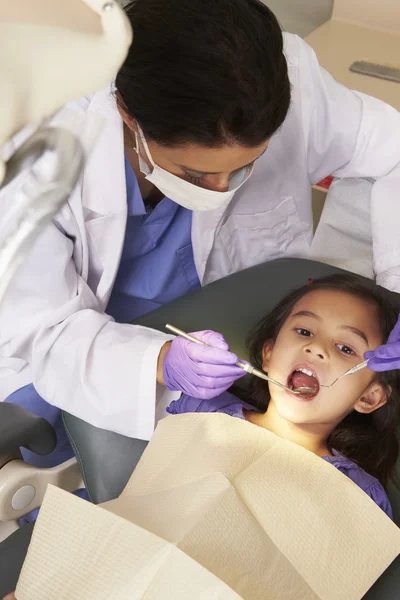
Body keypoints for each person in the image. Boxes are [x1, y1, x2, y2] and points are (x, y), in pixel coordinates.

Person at [1, 0, 400, 462]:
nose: (220, 189)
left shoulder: (285, 86)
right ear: (126, 111)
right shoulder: (34, 150)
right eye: (194, 175)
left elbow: (394, 153)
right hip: (61, 370)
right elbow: (46, 332)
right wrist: (157, 361)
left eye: (245, 168)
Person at [167, 274, 400, 518]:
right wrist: (161, 359)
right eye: (304, 331)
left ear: (369, 397)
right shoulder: (199, 410)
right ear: (268, 354)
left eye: (345, 348)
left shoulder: (358, 495)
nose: (316, 348)